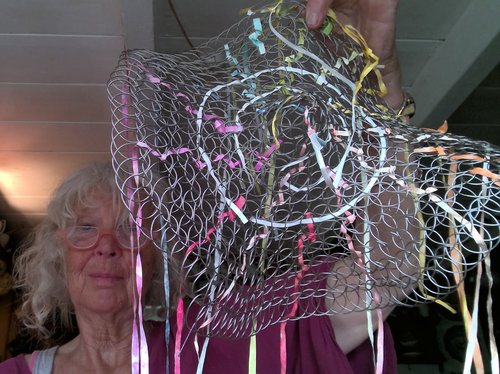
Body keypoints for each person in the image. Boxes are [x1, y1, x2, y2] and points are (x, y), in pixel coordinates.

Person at [0, 0, 417, 373]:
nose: (106, 246)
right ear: (59, 254)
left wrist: (378, 76)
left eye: (130, 230)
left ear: (160, 257)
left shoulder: (221, 339)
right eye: (85, 228)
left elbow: (383, 274)